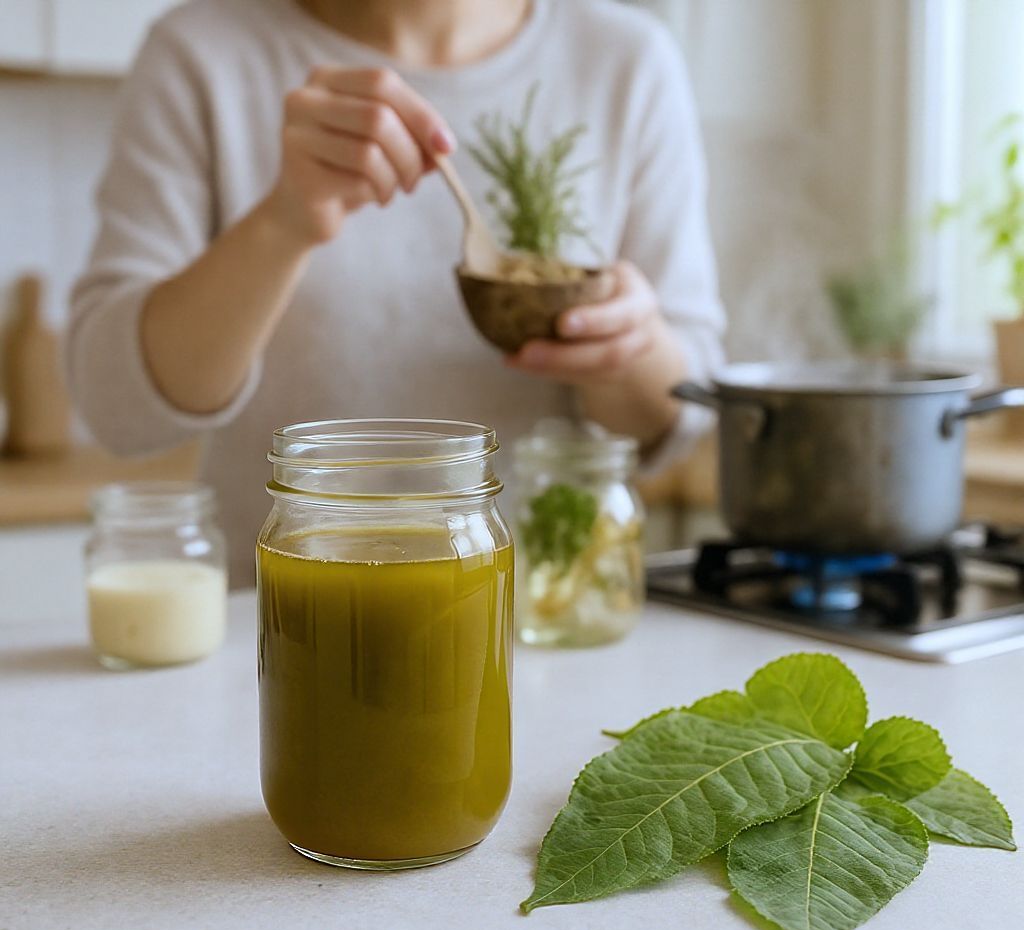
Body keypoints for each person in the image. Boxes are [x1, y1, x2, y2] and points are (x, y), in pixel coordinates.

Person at [69, 0, 724, 585]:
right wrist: (283, 222)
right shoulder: (201, 51)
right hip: (287, 621)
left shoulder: (627, 61)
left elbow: (680, 413)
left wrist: (626, 348)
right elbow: (116, 407)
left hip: (547, 615)